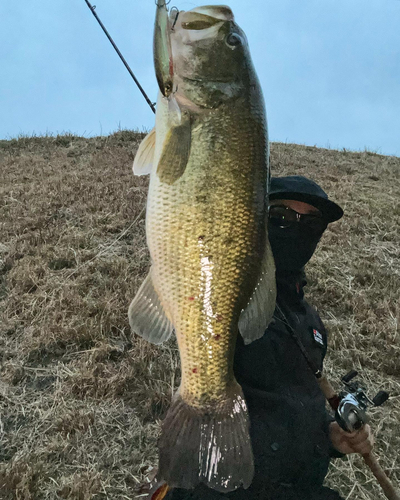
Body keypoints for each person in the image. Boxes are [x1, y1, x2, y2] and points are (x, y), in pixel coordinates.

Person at [162, 176, 374, 500]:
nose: (295, 230)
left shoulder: (313, 325)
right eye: (281, 217)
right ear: (254, 219)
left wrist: (332, 438)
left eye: (312, 223)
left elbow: (294, 403)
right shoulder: (224, 292)